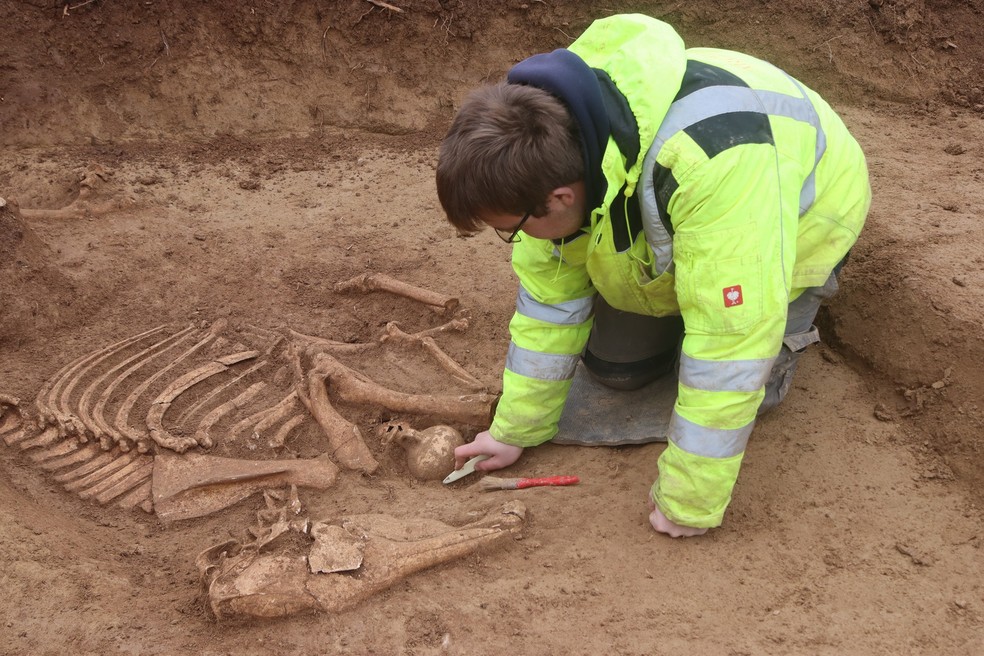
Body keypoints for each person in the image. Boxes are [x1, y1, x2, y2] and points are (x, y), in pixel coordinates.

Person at [436, 14, 871, 537]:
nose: (515, 238)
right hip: (681, 215)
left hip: (796, 226)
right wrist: (515, 431)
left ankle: (779, 345)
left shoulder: (712, 165)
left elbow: (731, 342)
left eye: (513, 228)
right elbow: (550, 305)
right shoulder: (550, 156)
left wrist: (689, 500)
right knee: (616, 373)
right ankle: (688, 301)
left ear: (561, 197)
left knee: (737, 358)